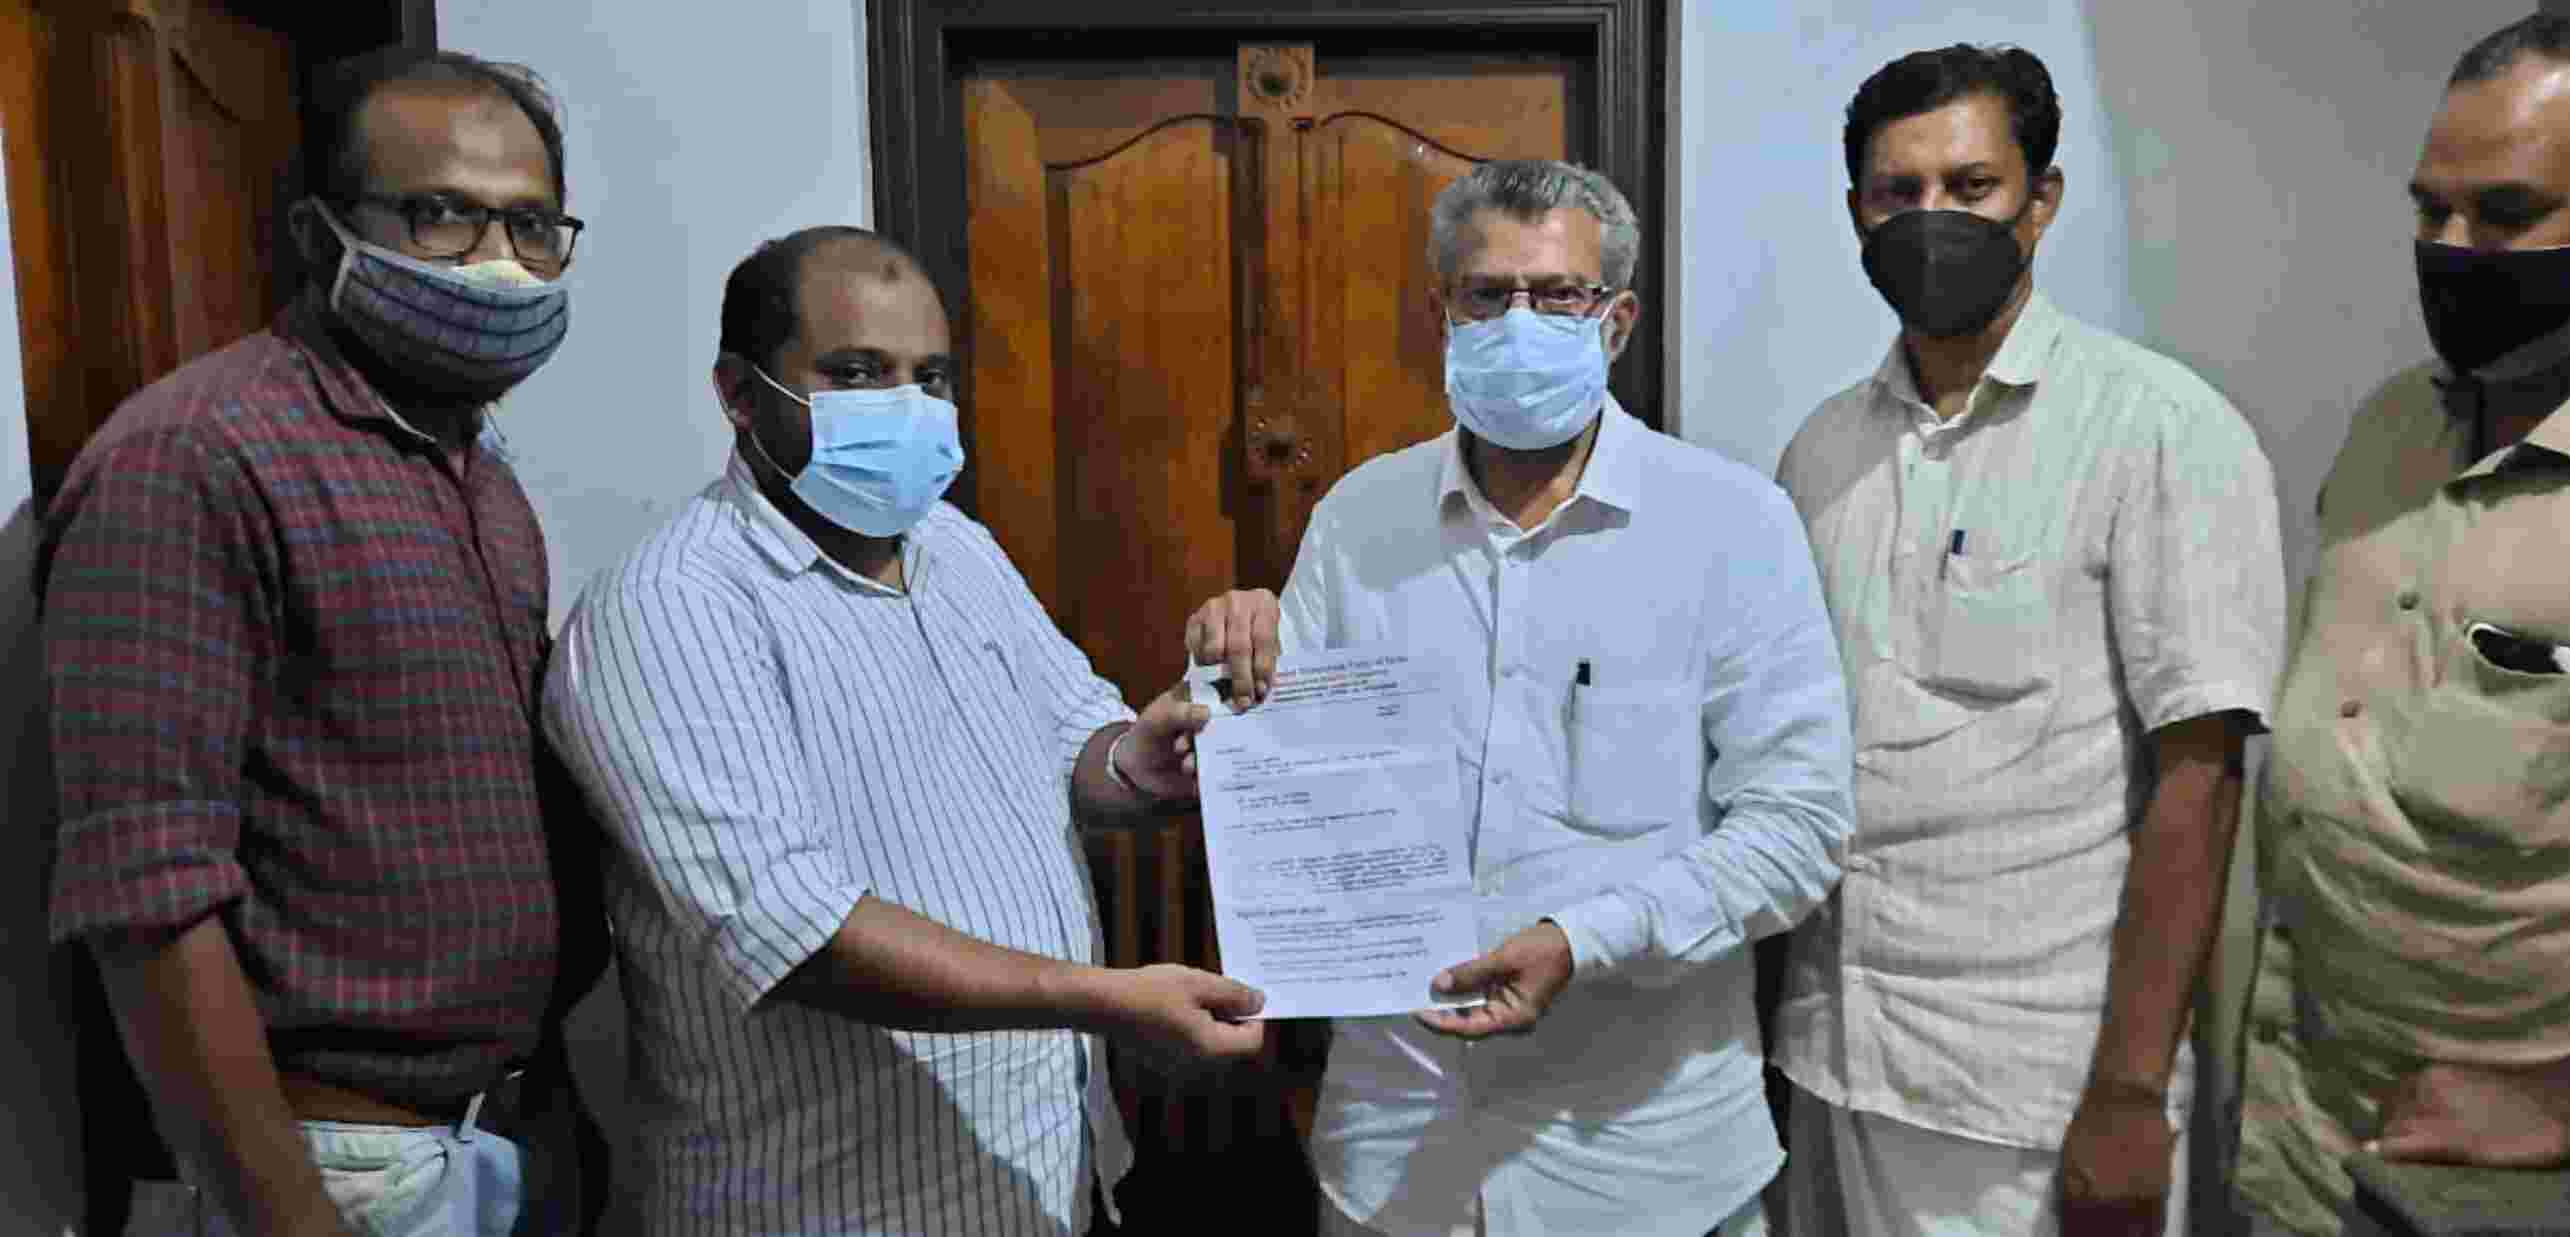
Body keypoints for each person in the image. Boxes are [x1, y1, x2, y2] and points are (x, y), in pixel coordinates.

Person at [539, 225, 1268, 1236]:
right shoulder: (671, 607)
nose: (908, 408)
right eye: (856, 373)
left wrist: (1137, 762)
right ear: (741, 393)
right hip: (829, 1208)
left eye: (929, 378)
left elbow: (1076, 739)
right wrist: (1097, 997)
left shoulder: (951, 546)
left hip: (1038, 1185)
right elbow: (797, 932)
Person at [1187, 158, 1856, 1237]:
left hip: (1645, 1168)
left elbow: (1799, 829)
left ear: (1617, 321)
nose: (1519, 323)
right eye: (1487, 294)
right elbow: (1282, 778)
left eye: (1558, 295)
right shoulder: (1360, 519)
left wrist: (1583, 939)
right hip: (1397, 1159)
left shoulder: (1731, 525)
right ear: (1441, 315)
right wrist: (1228, 663)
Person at [40, 47, 606, 1237]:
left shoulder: (479, 479)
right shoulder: (197, 458)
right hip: (333, 1169)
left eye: (531, 226)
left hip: (498, 1144)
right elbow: (146, 897)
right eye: (442, 215)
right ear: (319, 234)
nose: (499, 263)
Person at [2235, 14, 2570, 1235]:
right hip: (2305, 1156)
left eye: (2505, 215)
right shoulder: (2391, 431)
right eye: (2430, 210)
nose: (2450, 250)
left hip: (2543, 1194)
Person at [1765, 43, 2285, 1237]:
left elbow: (2199, 781)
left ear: (2038, 201)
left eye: (1969, 186)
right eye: (1896, 193)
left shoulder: (2158, 431)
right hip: (1835, 1063)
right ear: (1855, 214)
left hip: (2033, 1096)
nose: (1929, 218)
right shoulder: (1819, 453)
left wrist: (2126, 1096)